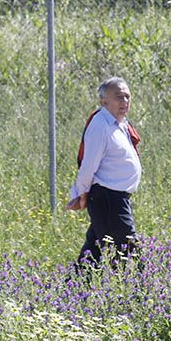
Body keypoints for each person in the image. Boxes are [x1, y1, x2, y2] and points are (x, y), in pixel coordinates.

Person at [67, 76, 141, 267]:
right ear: (104, 101)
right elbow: (88, 165)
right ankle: (139, 293)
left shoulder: (121, 124)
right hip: (108, 198)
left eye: (127, 96)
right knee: (128, 249)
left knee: (94, 252)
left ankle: (73, 291)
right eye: (118, 97)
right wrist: (81, 193)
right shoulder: (100, 125)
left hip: (116, 198)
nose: (124, 101)